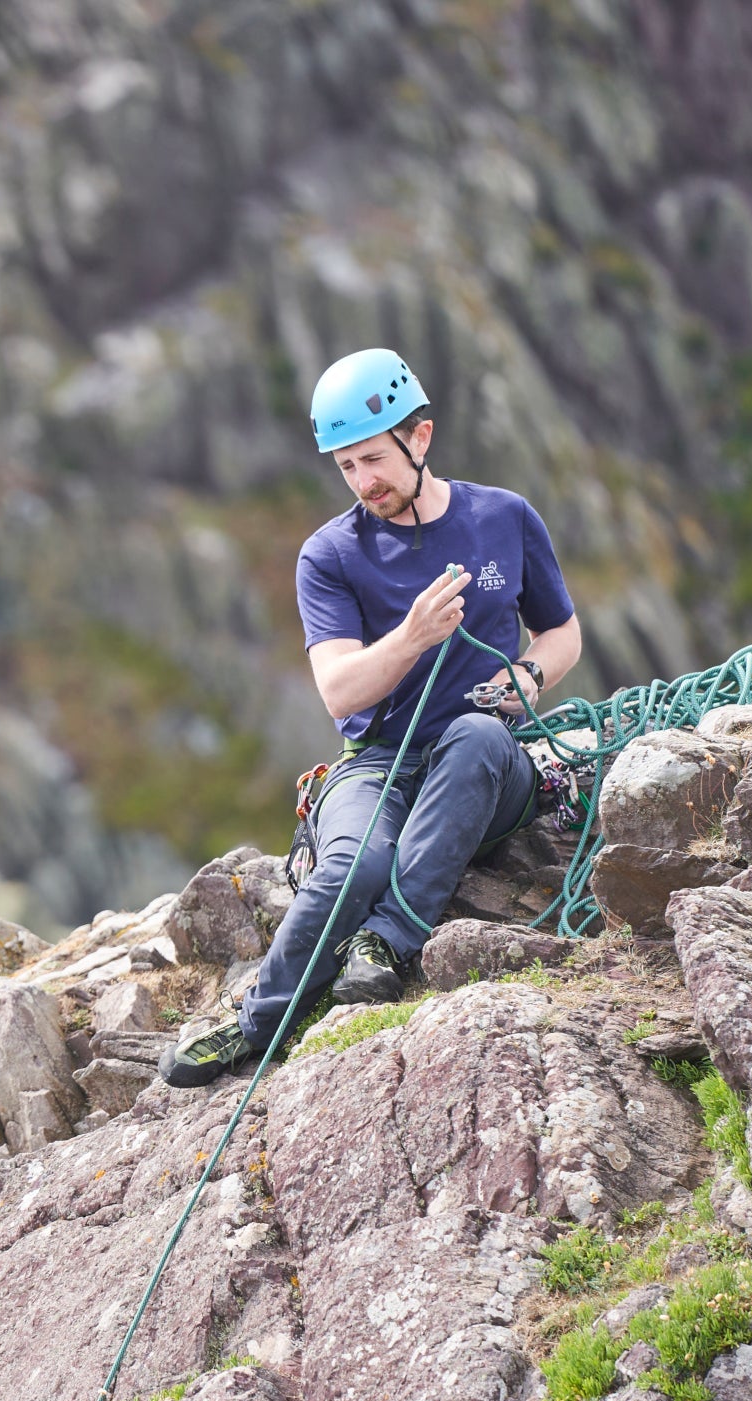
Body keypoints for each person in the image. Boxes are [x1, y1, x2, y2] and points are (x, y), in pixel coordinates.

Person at [163, 348, 583, 1087]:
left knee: (476, 736)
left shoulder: (503, 518)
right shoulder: (330, 555)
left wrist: (529, 674)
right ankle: (257, 1024)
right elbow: (340, 692)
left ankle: (385, 944)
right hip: (381, 758)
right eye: (347, 467)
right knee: (355, 862)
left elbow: (562, 633)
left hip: (488, 761)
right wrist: (413, 636)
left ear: (419, 438)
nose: (364, 483)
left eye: (373, 460)